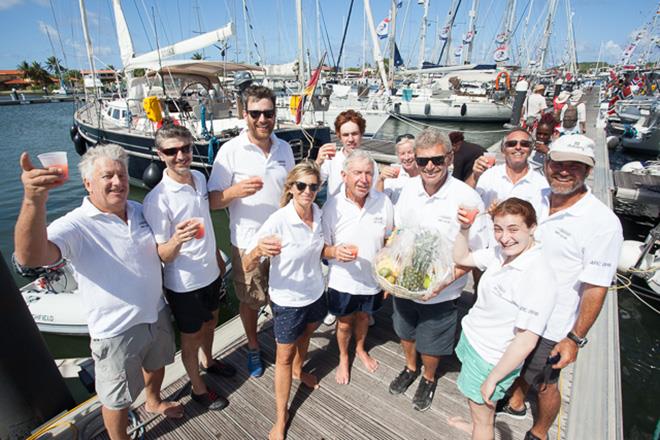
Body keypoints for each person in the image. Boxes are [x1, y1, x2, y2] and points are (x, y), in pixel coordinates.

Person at [14, 144, 183, 440]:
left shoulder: (140, 210)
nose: (117, 182)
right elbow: (30, 257)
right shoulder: (75, 225)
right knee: (117, 399)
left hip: (155, 312)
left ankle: (154, 401)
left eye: (121, 175)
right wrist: (33, 201)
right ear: (88, 183)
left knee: (156, 367)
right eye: (107, 176)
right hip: (115, 331)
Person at [497, 135, 623, 440]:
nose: (564, 170)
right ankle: (515, 401)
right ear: (546, 163)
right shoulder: (535, 197)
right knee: (516, 364)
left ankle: (540, 432)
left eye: (575, 165)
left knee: (546, 382)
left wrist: (574, 338)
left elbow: (596, 287)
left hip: (554, 323)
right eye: (558, 162)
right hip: (516, 309)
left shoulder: (602, 223)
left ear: (588, 171)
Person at [388, 128, 491, 412]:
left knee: (433, 341)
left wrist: (446, 281)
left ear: (449, 157)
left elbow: (480, 251)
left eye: (436, 159)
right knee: (405, 330)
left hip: (443, 289)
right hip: (405, 283)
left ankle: (429, 377)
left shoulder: (467, 197)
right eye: (422, 161)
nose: (429, 166)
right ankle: (410, 368)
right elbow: (399, 230)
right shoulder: (408, 189)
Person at [446, 198, 557, 440]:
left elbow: (526, 340)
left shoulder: (538, 276)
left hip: (491, 358)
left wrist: (494, 378)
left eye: (514, 229)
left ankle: (481, 430)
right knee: (481, 410)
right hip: (475, 340)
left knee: (483, 418)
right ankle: (477, 424)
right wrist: (464, 228)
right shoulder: (500, 253)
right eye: (498, 229)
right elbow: (462, 258)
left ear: (533, 227)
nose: (504, 237)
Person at [143, 124, 235, 411]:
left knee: (212, 322)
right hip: (184, 284)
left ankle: (209, 361)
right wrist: (178, 239)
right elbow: (164, 255)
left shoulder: (198, 176)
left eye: (185, 148)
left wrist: (218, 259)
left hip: (211, 272)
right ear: (160, 155)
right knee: (191, 337)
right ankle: (197, 388)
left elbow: (206, 221)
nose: (181, 155)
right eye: (172, 151)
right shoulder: (157, 200)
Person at [208, 85, 295, 378]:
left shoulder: (284, 148)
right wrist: (234, 191)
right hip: (248, 243)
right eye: (255, 113)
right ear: (244, 114)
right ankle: (254, 346)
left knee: (284, 297)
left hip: (284, 242)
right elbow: (212, 200)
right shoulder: (230, 151)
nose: (262, 119)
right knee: (250, 301)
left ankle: (286, 344)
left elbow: (291, 193)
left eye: (268, 113)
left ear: (274, 114)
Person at [243, 162, 326, 440]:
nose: (308, 191)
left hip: (315, 293)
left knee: (308, 333)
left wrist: (336, 251)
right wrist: (257, 251)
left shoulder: (319, 213)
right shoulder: (279, 220)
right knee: (283, 356)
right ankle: (281, 416)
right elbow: (245, 261)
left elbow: (320, 248)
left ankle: (299, 371)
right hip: (288, 300)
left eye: (313, 186)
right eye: (301, 185)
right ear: (290, 188)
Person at [321, 150, 394, 384]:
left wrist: (389, 277)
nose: (364, 179)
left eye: (369, 173)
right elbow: (322, 247)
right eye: (358, 173)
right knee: (343, 323)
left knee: (364, 318)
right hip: (342, 280)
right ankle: (343, 356)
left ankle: (360, 348)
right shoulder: (332, 206)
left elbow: (389, 240)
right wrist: (334, 252)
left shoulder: (383, 201)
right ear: (344, 175)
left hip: (372, 279)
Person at [466, 128, 549, 216]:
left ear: (530, 150)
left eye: (524, 144)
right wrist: (475, 176)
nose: (518, 147)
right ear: (503, 150)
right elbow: (464, 198)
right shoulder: (487, 175)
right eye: (511, 144)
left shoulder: (542, 184)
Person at [315, 109, 379, 199]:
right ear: (339, 137)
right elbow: (314, 185)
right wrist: (318, 163)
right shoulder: (331, 159)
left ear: (361, 134)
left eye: (354, 134)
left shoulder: (371, 164)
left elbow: (374, 194)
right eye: (345, 135)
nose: (350, 139)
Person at [376, 134, 419, 204]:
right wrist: (380, 180)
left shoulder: (425, 174)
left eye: (410, 152)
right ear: (398, 156)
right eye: (402, 154)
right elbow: (377, 202)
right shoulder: (392, 176)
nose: (407, 157)